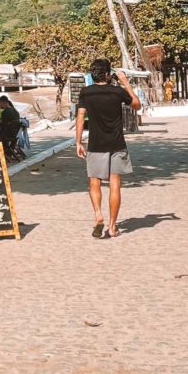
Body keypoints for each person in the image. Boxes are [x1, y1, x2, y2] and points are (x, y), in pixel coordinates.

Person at [75, 58, 141, 239]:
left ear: (92, 74)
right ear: (107, 74)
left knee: (94, 182)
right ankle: (112, 227)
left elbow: (80, 117)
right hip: (116, 144)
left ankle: (98, 215)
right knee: (115, 184)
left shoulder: (86, 93)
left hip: (95, 145)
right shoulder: (117, 92)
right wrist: (125, 82)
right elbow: (137, 105)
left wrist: (78, 142)